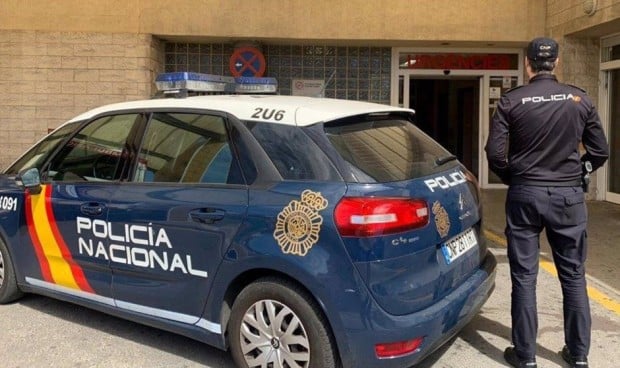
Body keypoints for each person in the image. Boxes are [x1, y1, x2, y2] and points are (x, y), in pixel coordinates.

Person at [485, 37, 609, 368]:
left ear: (528, 64)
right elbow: (600, 151)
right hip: (568, 196)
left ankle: (525, 357)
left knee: (524, 276)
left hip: (525, 194)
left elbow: (494, 154)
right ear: (556, 63)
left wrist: (516, 177)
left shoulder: (512, 101)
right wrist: (579, 171)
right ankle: (578, 354)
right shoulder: (579, 99)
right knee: (573, 274)